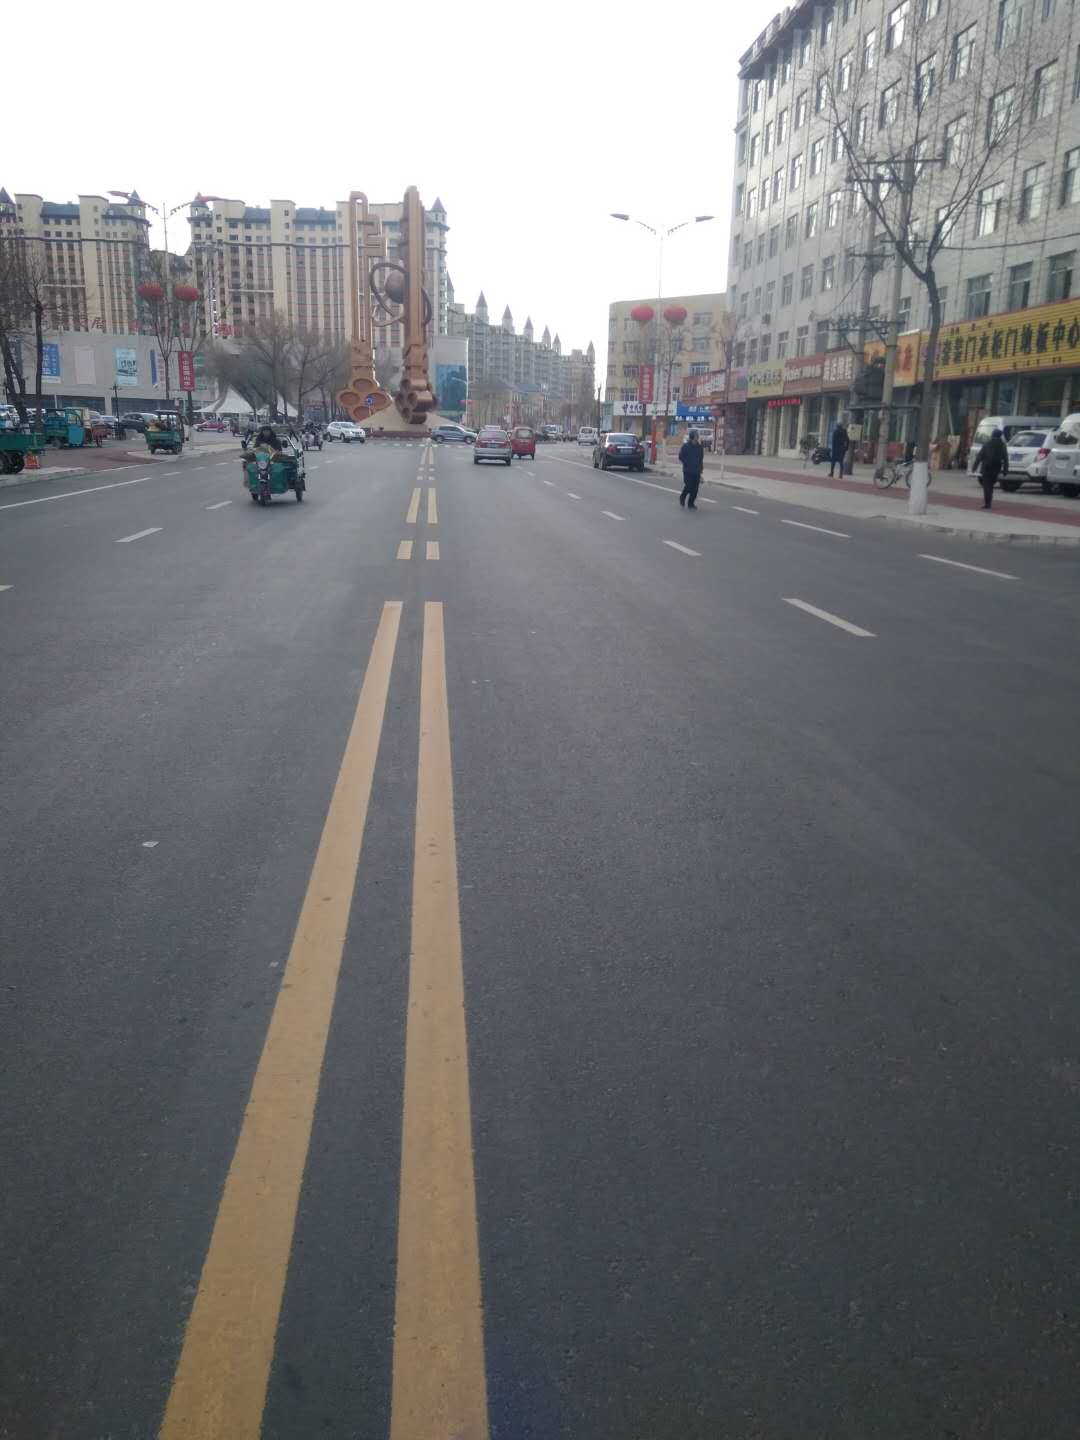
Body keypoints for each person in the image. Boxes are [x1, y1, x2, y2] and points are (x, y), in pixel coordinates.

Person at [975, 426, 1008, 509]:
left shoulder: (987, 444)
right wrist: (1005, 470)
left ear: (992, 435)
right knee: (991, 485)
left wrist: (974, 467)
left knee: (987, 486)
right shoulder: (1003, 445)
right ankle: (989, 502)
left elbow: (979, 456)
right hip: (996, 468)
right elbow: (1005, 458)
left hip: (986, 467)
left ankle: (987, 503)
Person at [678, 428, 705, 509]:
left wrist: (701, 470)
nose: (697, 437)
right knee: (689, 486)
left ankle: (691, 503)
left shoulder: (700, 447)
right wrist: (687, 463)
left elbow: (700, 459)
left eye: (697, 435)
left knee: (695, 489)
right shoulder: (685, 446)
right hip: (688, 470)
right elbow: (680, 457)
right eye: (696, 435)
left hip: (696, 471)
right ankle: (682, 497)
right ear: (692, 437)